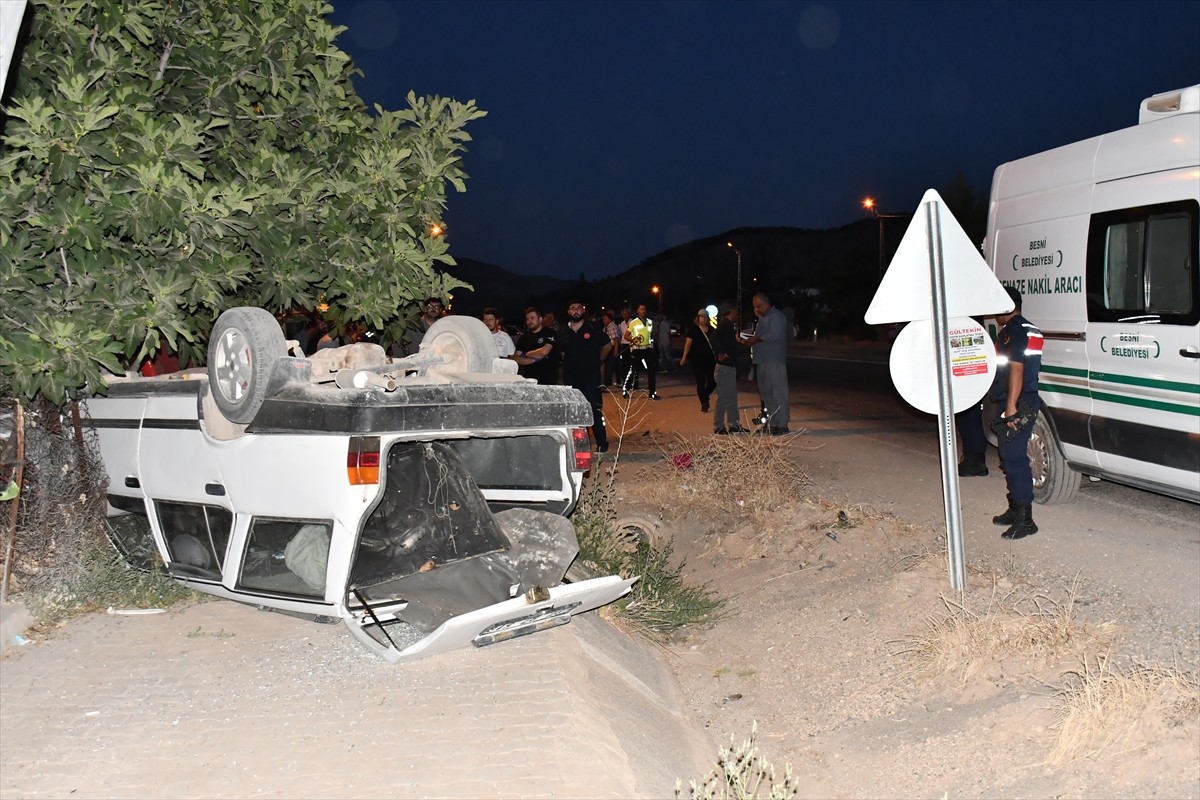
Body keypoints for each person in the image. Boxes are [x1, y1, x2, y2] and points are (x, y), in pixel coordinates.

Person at [989, 286, 1043, 540]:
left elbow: (1016, 369)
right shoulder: (1027, 327)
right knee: (1009, 456)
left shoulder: (1012, 332)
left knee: (1014, 459)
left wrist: (1010, 407)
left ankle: (1025, 520)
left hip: (1018, 402)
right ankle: (1014, 509)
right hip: (1025, 399)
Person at [558, 301, 612, 452]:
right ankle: (580, 443)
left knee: (595, 409)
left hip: (591, 376)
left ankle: (601, 441)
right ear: (569, 312)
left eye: (578, 308)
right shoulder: (563, 330)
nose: (576, 310)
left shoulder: (593, 328)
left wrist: (598, 361)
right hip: (571, 377)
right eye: (572, 308)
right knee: (575, 410)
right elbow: (561, 352)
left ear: (583, 310)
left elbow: (607, 345)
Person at [739, 292, 789, 434]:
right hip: (762, 360)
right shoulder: (763, 319)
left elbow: (776, 335)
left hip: (774, 360)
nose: (756, 309)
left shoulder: (777, 316)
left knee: (778, 393)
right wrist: (747, 338)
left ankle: (782, 424)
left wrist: (757, 338)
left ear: (765, 303)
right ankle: (772, 423)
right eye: (754, 307)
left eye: (758, 306)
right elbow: (759, 336)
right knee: (766, 394)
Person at [710, 300, 747, 434]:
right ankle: (719, 426)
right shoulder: (725, 324)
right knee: (724, 398)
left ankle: (733, 425)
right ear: (731, 311)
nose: (738, 313)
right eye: (736, 310)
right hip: (724, 368)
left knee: (731, 397)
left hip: (728, 367)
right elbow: (713, 338)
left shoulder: (728, 325)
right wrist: (721, 352)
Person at [679, 309, 716, 413]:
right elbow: (688, 344)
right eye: (701, 317)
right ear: (698, 318)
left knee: (713, 380)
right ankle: (704, 403)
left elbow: (716, 344)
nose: (703, 319)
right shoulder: (693, 330)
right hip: (696, 360)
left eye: (705, 317)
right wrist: (684, 357)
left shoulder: (712, 330)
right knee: (700, 381)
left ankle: (705, 395)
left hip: (710, 360)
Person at [621, 303, 658, 399]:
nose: (644, 311)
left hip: (648, 349)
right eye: (641, 309)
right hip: (637, 350)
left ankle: (652, 393)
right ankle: (626, 389)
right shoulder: (633, 322)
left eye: (645, 309)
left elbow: (651, 334)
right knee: (633, 371)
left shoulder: (650, 322)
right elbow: (626, 336)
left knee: (651, 371)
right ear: (637, 311)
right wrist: (633, 340)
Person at [512, 307, 558, 384]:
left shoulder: (550, 332)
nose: (529, 321)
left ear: (540, 319)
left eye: (532, 318)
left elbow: (543, 352)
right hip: (529, 380)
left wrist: (525, 354)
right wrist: (533, 360)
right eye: (527, 319)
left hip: (548, 379)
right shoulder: (524, 337)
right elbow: (516, 358)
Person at [601, 309, 620, 386]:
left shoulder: (612, 326)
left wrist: (615, 350)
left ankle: (606, 383)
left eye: (605, 319)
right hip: (607, 348)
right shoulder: (606, 327)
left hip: (612, 347)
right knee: (611, 366)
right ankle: (609, 382)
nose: (604, 321)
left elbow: (616, 339)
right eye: (603, 319)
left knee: (609, 366)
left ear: (609, 319)